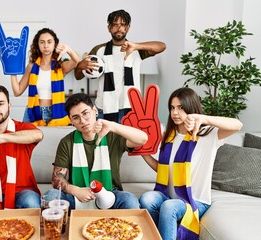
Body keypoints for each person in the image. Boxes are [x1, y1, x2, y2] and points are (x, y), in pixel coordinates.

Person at [139, 87, 243, 240]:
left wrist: (203, 119)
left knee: (169, 207)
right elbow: (164, 171)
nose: (175, 113)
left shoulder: (207, 134)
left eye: (181, 108)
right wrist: (143, 153)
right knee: (147, 199)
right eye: (172, 108)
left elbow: (237, 125)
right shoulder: (168, 135)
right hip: (168, 196)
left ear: (191, 108)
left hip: (195, 200)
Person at [44, 93, 148, 210]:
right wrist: (75, 190)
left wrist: (112, 125)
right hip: (77, 195)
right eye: (76, 117)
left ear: (95, 111)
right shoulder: (67, 142)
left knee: (129, 199)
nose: (82, 120)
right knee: (51, 195)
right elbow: (56, 179)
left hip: (110, 193)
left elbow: (143, 139)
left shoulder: (112, 135)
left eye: (85, 113)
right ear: (71, 121)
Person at [74, 9, 166, 123]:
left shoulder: (135, 49)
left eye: (122, 24)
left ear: (127, 27)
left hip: (130, 106)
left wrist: (136, 46)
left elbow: (162, 46)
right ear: (109, 28)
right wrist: (80, 66)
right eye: (115, 25)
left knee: (127, 141)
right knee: (105, 140)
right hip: (104, 106)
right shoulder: (99, 50)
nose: (119, 28)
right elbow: (78, 76)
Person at [11, 28, 80, 126]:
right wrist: (12, 71)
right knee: (28, 141)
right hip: (33, 112)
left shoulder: (60, 67)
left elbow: (76, 60)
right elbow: (17, 91)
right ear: (38, 45)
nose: (46, 45)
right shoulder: (31, 66)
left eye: (49, 42)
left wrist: (68, 49)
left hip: (55, 111)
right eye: (42, 42)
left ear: (54, 44)